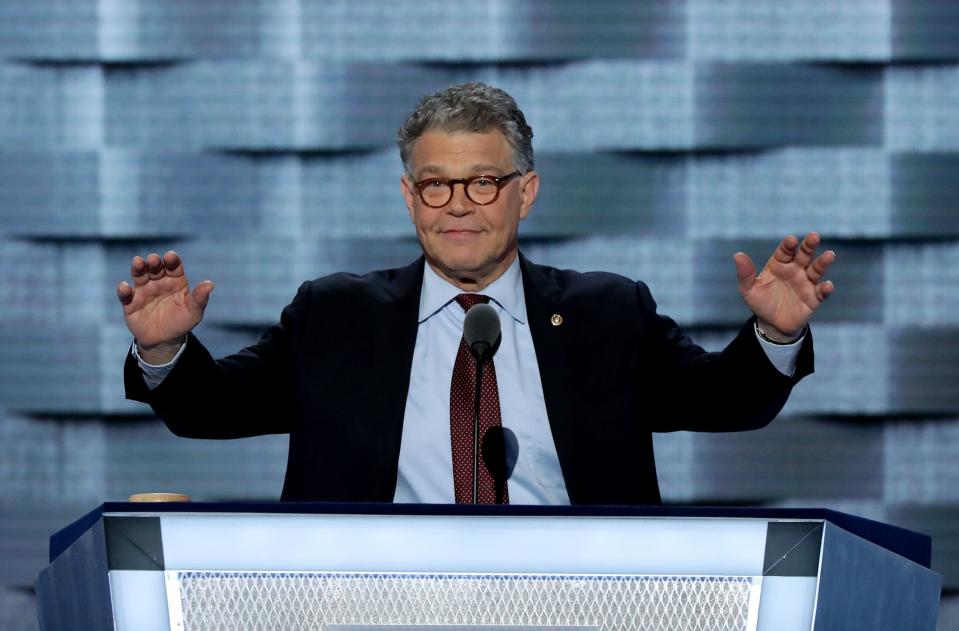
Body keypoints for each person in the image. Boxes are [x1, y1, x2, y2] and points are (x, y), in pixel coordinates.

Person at [118, 82, 834, 505]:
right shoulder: (334, 315)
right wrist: (165, 348)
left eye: (482, 181)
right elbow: (208, 408)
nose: (457, 204)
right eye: (436, 183)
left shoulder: (606, 313)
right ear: (409, 197)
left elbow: (723, 399)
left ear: (526, 192)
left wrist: (772, 336)